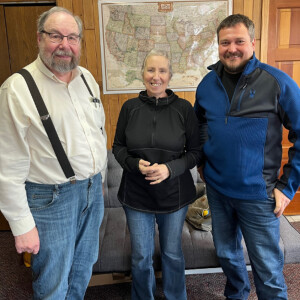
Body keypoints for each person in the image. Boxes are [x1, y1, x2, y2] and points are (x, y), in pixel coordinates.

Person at [0, 7, 107, 299]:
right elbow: (7, 166)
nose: (65, 44)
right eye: (55, 36)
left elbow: (98, 133)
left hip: (91, 192)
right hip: (51, 199)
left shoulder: (86, 78)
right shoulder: (17, 89)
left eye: (72, 37)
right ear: (39, 38)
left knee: (83, 269)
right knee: (53, 282)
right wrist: (21, 225)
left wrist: (100, 181)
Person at [194, 13, 300, 299]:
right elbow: (200, 124)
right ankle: (237, 294)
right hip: (217, 190)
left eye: (239, 41)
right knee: (227, 254)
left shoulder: (277, 82)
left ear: (253, 42)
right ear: (218, 46)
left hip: (258, 193)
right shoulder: (206, 84)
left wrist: (287, 187)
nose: (232, 48)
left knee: (267, 266)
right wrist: (203, 162)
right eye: (225, 42)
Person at [112, 50, 201, 300]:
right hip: (136, 196)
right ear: (142, 74)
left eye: (162, 71)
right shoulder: (129, 108)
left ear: (170, 76)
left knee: (172, 253)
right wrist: (132, 164)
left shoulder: (184, 109)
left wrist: (169, 169)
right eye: (151, 70)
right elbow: (117, 147)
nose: (156, 76)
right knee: (141, 257)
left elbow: (195, 152)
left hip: (175, 196)